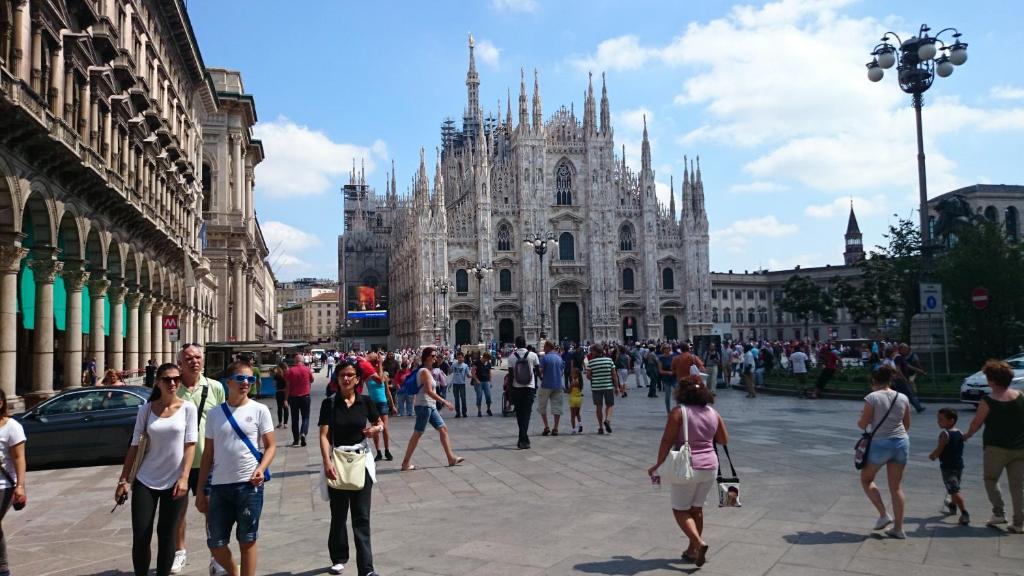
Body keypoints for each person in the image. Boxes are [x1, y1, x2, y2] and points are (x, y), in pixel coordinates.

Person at [115, 363, 198, 576]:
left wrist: (184, 477)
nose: (173, 383)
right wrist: (123, 480)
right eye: (167, 379)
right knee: (141, 535)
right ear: (158, 382)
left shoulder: (188, 408)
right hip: (145, 479)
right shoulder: (146, 409)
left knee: (167, 535)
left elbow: (190, 446)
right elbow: (134, 446)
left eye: (176, 379)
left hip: (175, 481)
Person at [196, 361, 276, 576]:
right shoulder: (215, 414)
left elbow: (270, 446)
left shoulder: (260, 410)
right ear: (228, 382)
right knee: (215, 543)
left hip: (249, 485)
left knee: (247, 540)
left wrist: (261, 468)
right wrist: (202, 489)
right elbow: (208, 455)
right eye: (241, 378)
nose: (246, 383)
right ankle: (234, 572)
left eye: (250, 379)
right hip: (220, 487)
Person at [647, 383, 728, 568]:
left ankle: (699, 543)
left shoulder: (678, 412)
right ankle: (692, 551)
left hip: (687, 467)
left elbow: (666, 440)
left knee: (680, 509)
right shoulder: (713, 413)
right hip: (710, 467)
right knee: (697, 509)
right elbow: (724, 439)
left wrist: (658, 464)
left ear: (681, 393)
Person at [318, 358, 384, 576]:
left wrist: (376, 429)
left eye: (350, 375)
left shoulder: (365, 402)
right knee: (338, 514)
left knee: (361, 516)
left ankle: (366, 568)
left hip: (361, 461)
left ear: (357, 379)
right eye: (342, 375)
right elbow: (324, 435)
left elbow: (379, 423)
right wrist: (327, 462)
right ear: (337, 379)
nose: (346, 378)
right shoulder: (329, 403)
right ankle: (338, 557)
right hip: (337, 459)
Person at [173, 344, 226, 576]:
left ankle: (216, 557)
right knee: (177, 512)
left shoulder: (215, 387)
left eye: (197, 357)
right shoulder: (172, 388)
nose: (194, 361)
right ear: (180, 363)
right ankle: (179, 552)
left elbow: (224, 423)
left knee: (212, 513)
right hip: (178, 463)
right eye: (188, 358)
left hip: (210, 461)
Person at [963, 360, 1024, 533]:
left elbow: (977, 423)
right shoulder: (1020, 396)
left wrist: (967, 435)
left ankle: (999, 512)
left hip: (995, 448)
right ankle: (1019, 523)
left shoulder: (988, 400)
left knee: (990, 480)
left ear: (992, 381)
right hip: (1020, 448)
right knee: (1018, 486)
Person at [857, 365, 911, 539]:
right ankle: (899, 528)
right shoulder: (903, 397)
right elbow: (907, 424)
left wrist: (863, 417)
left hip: (880, 443)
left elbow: (862, 424)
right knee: (896, 487)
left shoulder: (872, 397)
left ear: (874, 380)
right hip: (901, 442)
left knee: (866, 479)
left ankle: (883, 514)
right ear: (890, 379)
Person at [400, 347, 463, 470]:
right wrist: (444, 401)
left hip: (430, 406)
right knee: (417, 433)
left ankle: (451, 458)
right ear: (427, 357)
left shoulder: (428, 371)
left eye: (435, 355)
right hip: (424, 405)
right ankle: (405, 463)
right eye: (433, 355)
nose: (435, 357)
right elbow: (429, 391)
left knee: (443, 429)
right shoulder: (424, 371)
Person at [0, 390, 27, 576]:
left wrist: (20, 485)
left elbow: (19, 458)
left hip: (4, 485)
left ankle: (3, 568)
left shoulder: (12, 427)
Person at [928, 408, 970, 525]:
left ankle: (965, 513)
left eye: (941, 419)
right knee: (953, 487)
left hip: (948, 468)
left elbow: (940, 449)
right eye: (938, 419)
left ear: (951, 421)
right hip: (958, 466)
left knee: (954, 490)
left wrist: (933, 455)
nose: (938, 422)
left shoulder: (944, 434)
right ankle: (952, 505)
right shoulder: (960, 432)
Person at [358, 358, 394, 462]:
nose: (377, 367)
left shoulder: (384, 376)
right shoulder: (368, 377)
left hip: (382, 403)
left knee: (384, 428)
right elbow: (360, 384)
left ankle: (387, 450)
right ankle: (378, 451)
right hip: (372, 404)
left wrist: (392, 405)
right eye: (376, 365)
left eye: (379, 366)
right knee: (375, 428)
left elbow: (387, 390)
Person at [508, 336, 540, 449]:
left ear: (516, 344)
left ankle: (522, 438)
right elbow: (538, 371)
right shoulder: (533, 355)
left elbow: (511, 376)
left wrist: (509, 391)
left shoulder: (511, 357)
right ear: (525, 343)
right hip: (529, 387)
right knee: (526, 413)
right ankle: (523, 439)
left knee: (520, 414)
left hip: (516, 388)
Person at [586, 344, 619, 435]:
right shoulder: (609, 360)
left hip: (596, 387)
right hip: (608, 386)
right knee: (610, 405)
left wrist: (595, 377)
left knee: (598, 407)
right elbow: (614, 375)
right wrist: (616, 387)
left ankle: (600, 427)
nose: (590, 353)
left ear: (595, 352)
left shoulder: (591, 362)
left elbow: (588, 376)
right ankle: (607, 420)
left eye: (591, 351)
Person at [285, 353, 314, 447]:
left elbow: (288, 386)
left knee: (295, 419)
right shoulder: (307, 369)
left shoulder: (290, 371)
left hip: (293, 398)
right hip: (305, 397)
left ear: (295, 361)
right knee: (305, 417)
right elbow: (312, 380)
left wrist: (285, 399)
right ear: (302, 361)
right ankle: (303, 433)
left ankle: (296, 440)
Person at [537, 341, 566, 436]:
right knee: (557, 407)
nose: (543, 349)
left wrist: (541, 377)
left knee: (542, 406)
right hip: (558, 385)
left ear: (548, 347)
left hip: (546, 385)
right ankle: (556, 428)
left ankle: (546, 427)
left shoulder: (545, 358)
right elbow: (562, 372)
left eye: (544, 347)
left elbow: (540, 371)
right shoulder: (559, 358)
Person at [471, 352, 495, 417]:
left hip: (486, 381)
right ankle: (479, 411)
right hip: (478, 382)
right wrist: (476, 380)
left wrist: (490, 381)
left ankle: (488, 409)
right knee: (479, 396)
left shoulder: (488, 363)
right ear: (484, 357)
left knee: (488, 396)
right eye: (487, 359)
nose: (487, 361)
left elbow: (490, 373)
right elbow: (472, 372)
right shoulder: (476, 362)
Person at [450, 352, 470, 418]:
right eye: (458, 357)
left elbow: (468, 375)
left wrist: (474, 376)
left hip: (462, 384)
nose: (459, 359)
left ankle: (464, 413)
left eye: (461, 357)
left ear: (463, 358)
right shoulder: (453, 365)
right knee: (456, 399)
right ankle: (458, 413)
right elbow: (450, 371)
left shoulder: (465, 366)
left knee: (463, 399)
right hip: (455, 384)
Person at [657, 344, 677, 412]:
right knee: (667, 396)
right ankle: (668, 411)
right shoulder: (661, 358)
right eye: (665, 348)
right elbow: (660, 370)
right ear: (663, 349)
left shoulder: (674, 356)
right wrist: (668, 372)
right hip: (666, 379)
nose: (667, 349)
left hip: (674, 378)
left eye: (668, 348)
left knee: (678, 394)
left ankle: (678, 410)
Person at [272, 360, 289, 429]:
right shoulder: (287, 375)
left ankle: (280, 423)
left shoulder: (277, 375)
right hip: (285, 392)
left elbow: (273, 384)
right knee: (286, 408)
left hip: (279, 392)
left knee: (279, 408)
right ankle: (285, 423)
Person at [568, 370, 584, 435]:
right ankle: (580, 424)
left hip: (573, 399)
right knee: (577, 413)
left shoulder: (573, 382)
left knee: (572, 415)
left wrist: (564, 389)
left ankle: (573, 429)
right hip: (579, 399)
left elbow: (569, 391)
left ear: (575, 374)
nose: (571, 375)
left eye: (572, 373)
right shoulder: (580, 382)